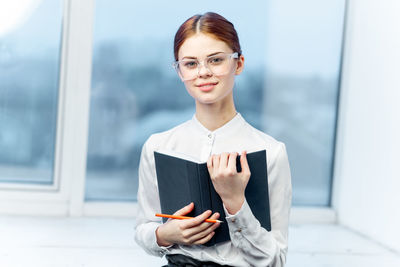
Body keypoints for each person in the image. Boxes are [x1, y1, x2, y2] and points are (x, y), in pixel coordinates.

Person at [134, 12, 292, 267]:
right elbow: (143, 228)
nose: (203, 72)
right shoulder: (158, 146)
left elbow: (275, 260)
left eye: (216, 60)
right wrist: (165, 234)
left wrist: (235, 203)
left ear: (238, 64)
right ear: (179, 71)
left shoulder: (271, 151)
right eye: (191, 63)